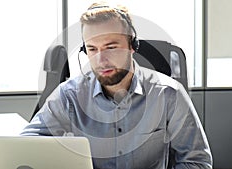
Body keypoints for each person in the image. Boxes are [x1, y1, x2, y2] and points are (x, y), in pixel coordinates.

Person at [21, 2, 213, 168]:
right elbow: (24, 147)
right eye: (92, 49)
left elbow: (197, 162)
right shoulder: (68, 95)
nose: (101, 59)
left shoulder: (169, 94)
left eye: (111, 47)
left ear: (132, 46)